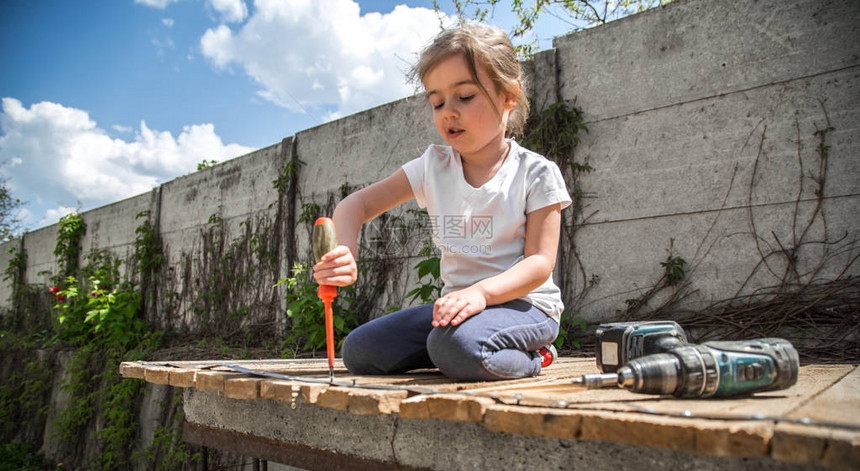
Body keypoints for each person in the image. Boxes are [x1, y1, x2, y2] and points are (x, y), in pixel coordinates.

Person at [313, 21, 571, 381]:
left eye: (465, 97)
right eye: (437, 102)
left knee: (455, 347)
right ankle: (461, 350)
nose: (448, 111)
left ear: (508, 96)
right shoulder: (432, 166)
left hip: (526, 308)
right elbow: (355, 206)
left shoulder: (536, 173)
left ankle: (536, 357)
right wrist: (345, 252)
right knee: (361, 351)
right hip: (458, 310)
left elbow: (539, 264)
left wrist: (481, 293)